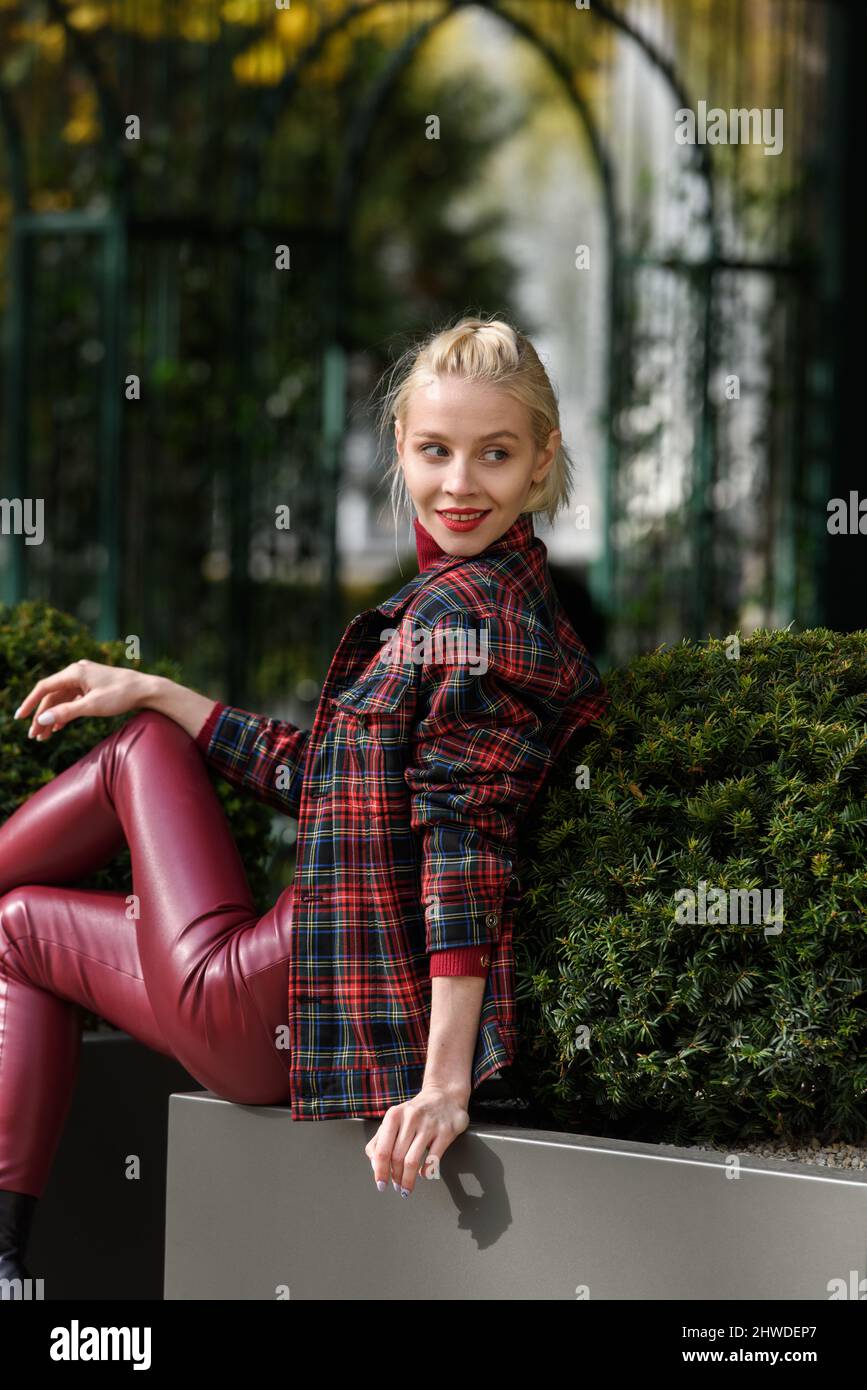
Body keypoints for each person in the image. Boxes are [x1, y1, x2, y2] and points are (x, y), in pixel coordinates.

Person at [0, 314, 608, 1289]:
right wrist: (157, 687)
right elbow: (321, 775)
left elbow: (465, 848)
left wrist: (446, 1080)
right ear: (402, 453)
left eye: (493, 455)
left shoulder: (462, 630)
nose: (459, 484)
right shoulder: (491, 601)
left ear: (542, 463)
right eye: (434, 451)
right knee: (21, 920)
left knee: (133, 757)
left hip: (260, 1004)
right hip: (284, 979)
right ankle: (8, 1269)